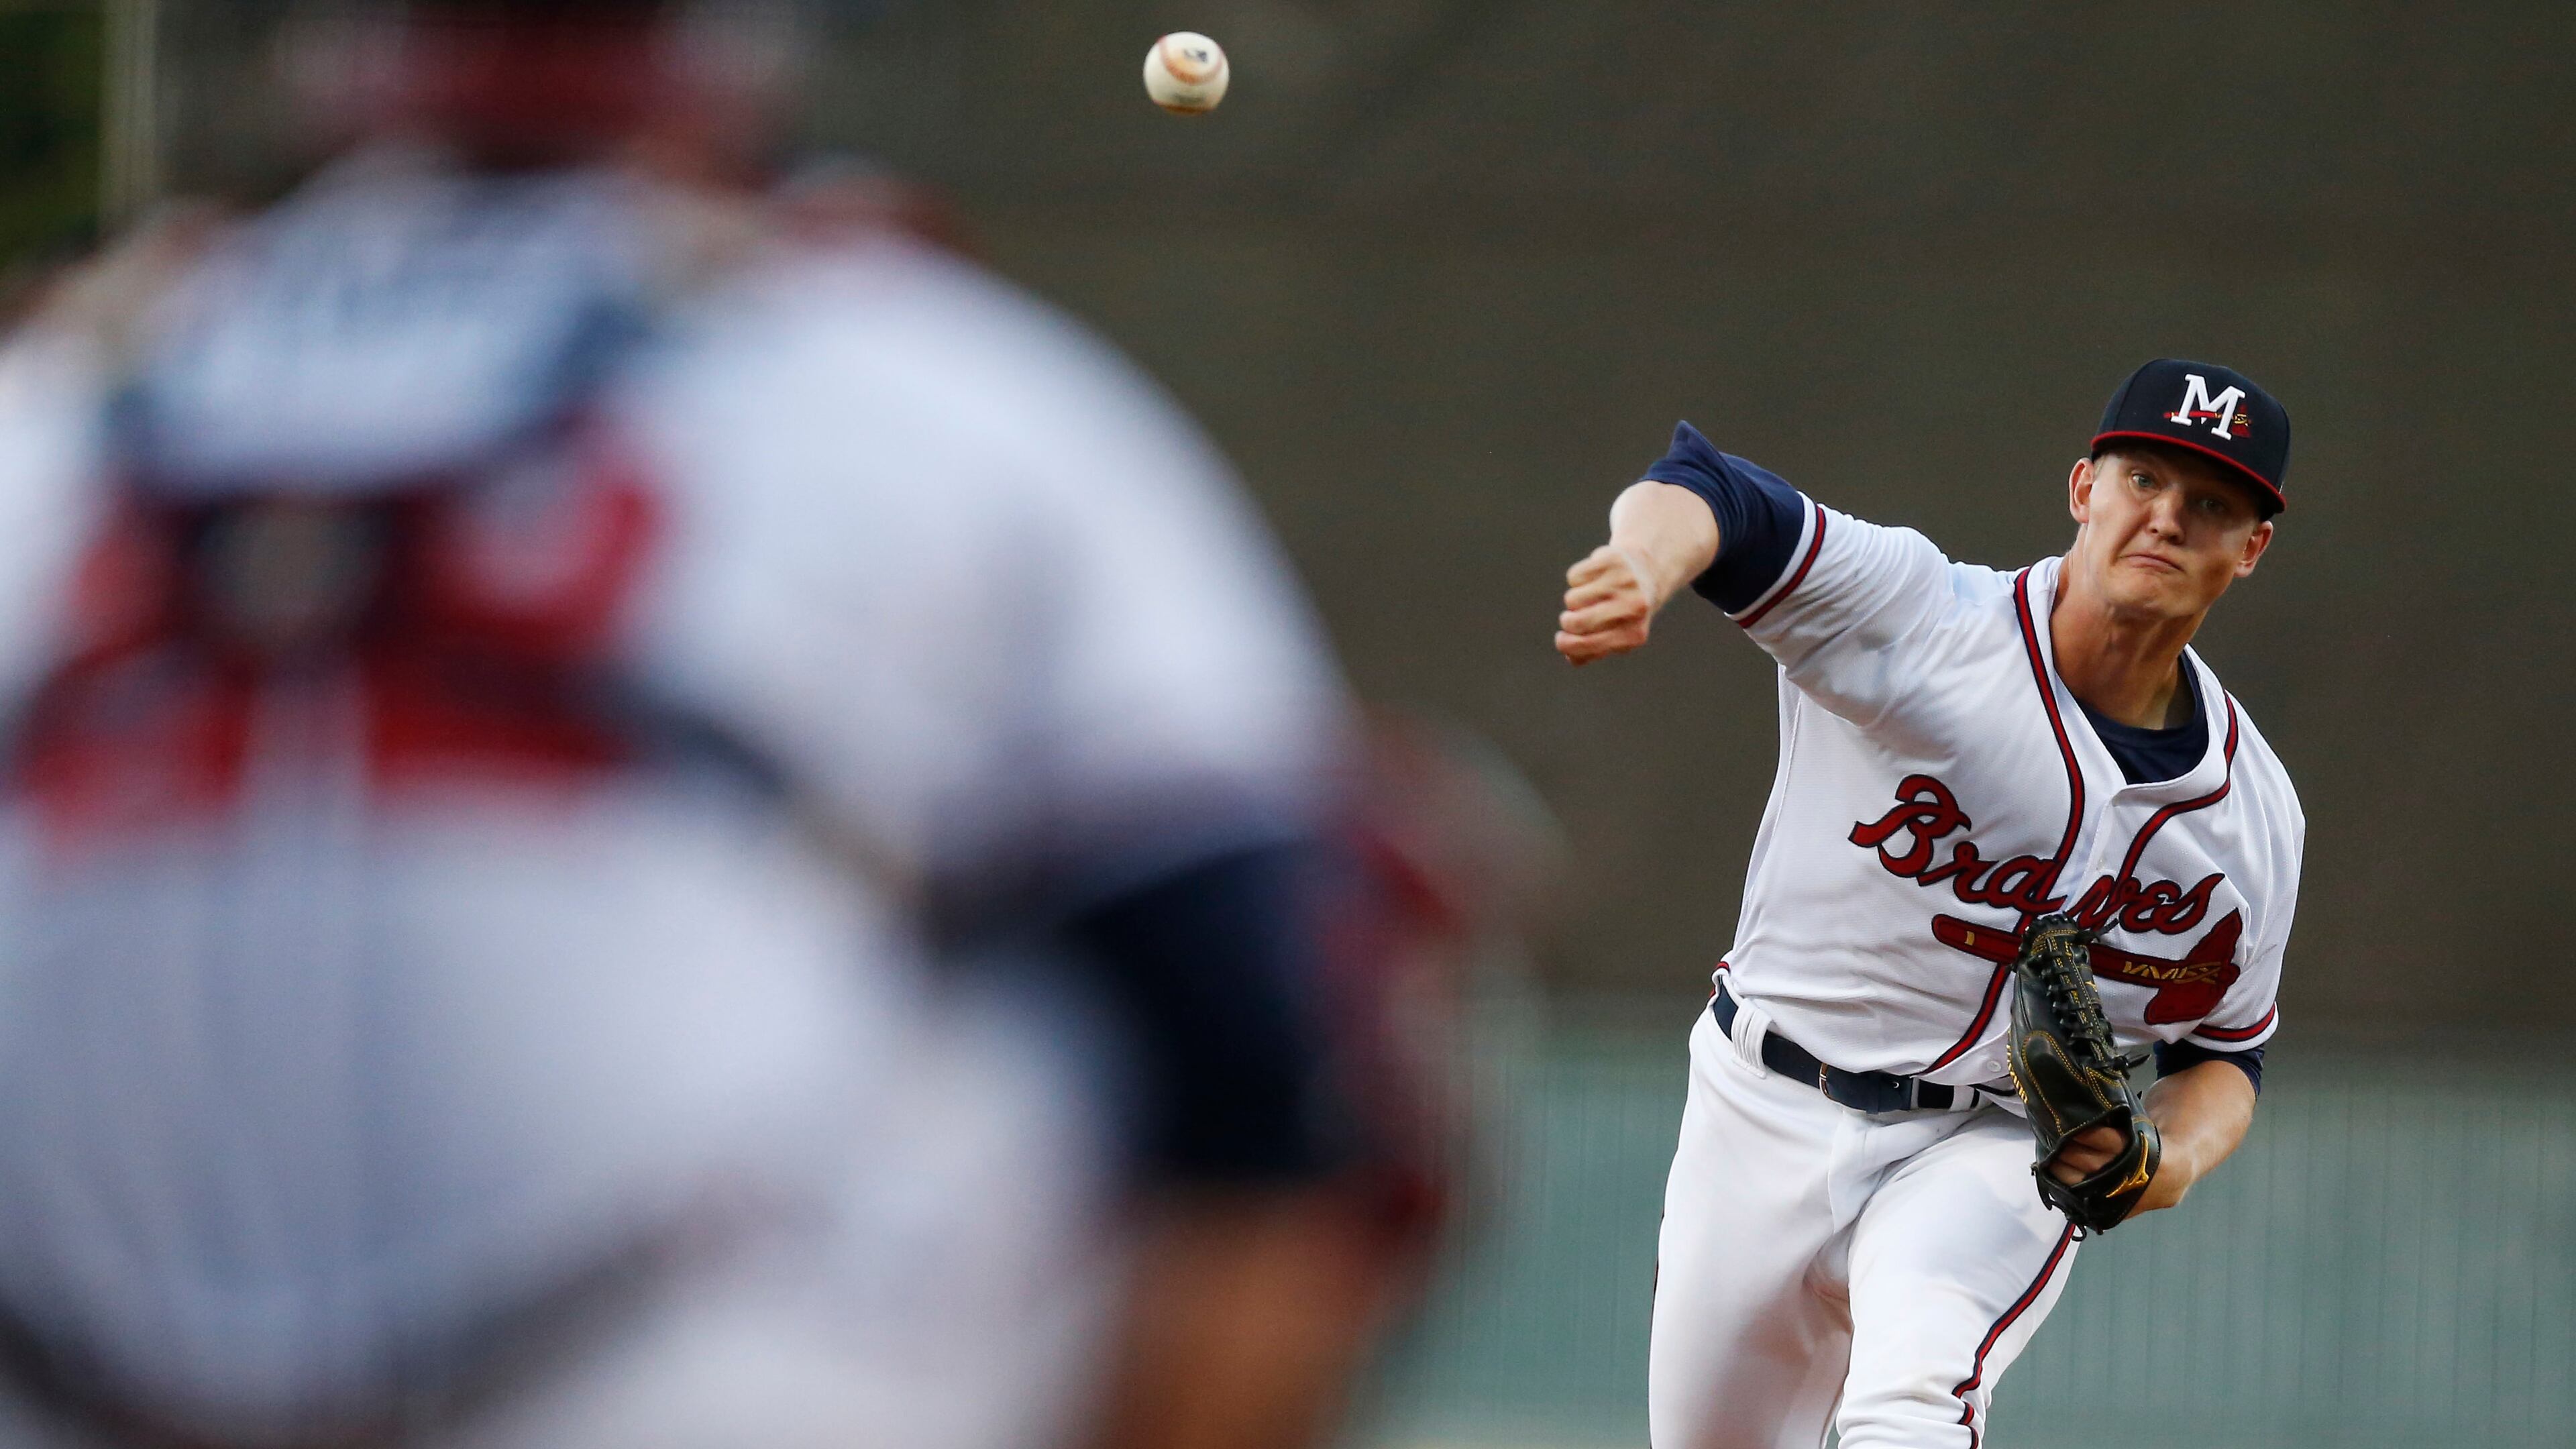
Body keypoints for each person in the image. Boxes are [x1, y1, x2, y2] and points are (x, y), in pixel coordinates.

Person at [0, 2, 1424, 1446]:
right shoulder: (930, 376)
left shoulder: (55, 400)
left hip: (63, 1384)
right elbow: (1259, 1043)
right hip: (731, 1381)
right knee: (1351, 924)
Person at [1553, 360, 2304, 1449]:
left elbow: (2226, 1053)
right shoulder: (1923, 615)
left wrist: (2169, 1157)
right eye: (2145, 478)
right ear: (2084, 488)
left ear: (2251, 548)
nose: (2167, 517)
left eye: (2212, 505)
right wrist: (1640, 559)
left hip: (1994, 1142)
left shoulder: (2252, 820)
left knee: (1915, 1401)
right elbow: (1708, 491)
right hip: (1761, 1101)